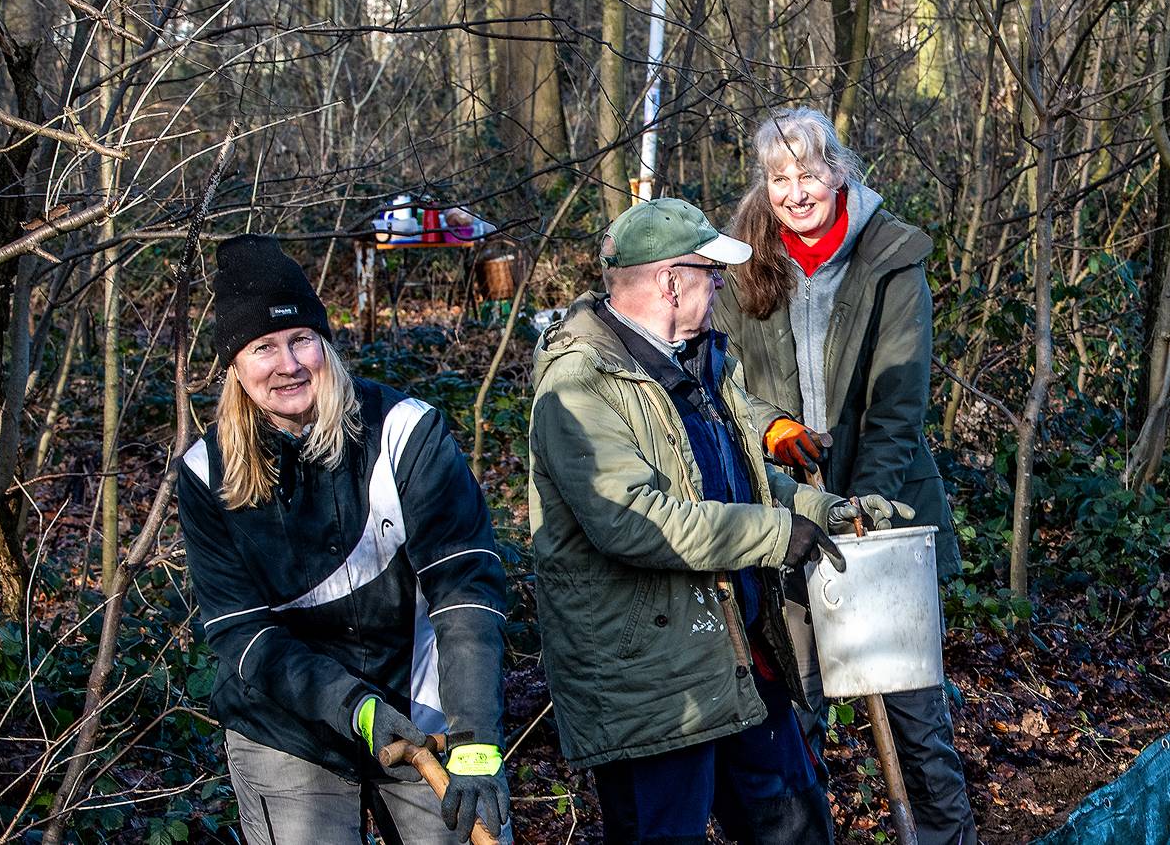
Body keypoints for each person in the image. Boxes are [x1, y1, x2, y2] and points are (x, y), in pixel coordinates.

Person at [527, 197, 908, 844]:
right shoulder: (578, 387)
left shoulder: (701, 362)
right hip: (651, 686)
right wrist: (774, 534)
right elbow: (637, 521)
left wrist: (827, 511)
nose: (721, 288)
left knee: (794, 825)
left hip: (738, 658)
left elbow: (746, 479)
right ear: (670, 282)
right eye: (712, 275)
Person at [178, 234, 511, 844]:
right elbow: (239, 633)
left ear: (326, 345)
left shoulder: (407, 434)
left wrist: (476, 745)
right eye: (263, 348)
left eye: (302, 339)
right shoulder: (206, 472)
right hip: (286, 727)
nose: (289, 363)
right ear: (234, 367)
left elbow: (465, 589)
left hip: (427, 713)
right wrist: (354, 707)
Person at [713, 106, 978, 845]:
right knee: (797, 715)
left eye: (807, 173)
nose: (795, 191)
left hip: (880, 512)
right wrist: (773, 430)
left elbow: (899, 405)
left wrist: (861, 510)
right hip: (784, 514)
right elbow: (725, 380)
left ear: (838, 172)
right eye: (778, 178)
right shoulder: (739, 263)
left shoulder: (892, 254)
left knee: (913, 713)